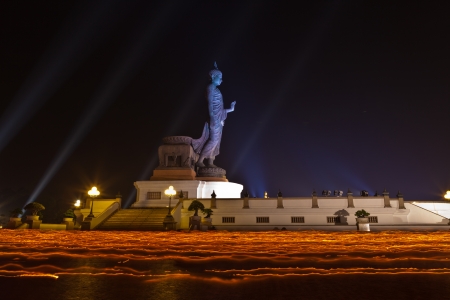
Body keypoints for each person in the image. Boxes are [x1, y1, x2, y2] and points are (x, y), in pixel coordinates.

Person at [196, 62, 236, 168]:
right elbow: (210, 103)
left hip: (218, 119)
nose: (221, 80)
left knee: (217, 141)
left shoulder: (216, 89)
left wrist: (230, 109)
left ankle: (210, 161)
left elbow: (219, 108)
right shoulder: (210, 88)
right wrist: (212, 117)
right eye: (219, 77)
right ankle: (200, 160)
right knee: (213, 140)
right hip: (214, 118)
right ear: (213, 76)